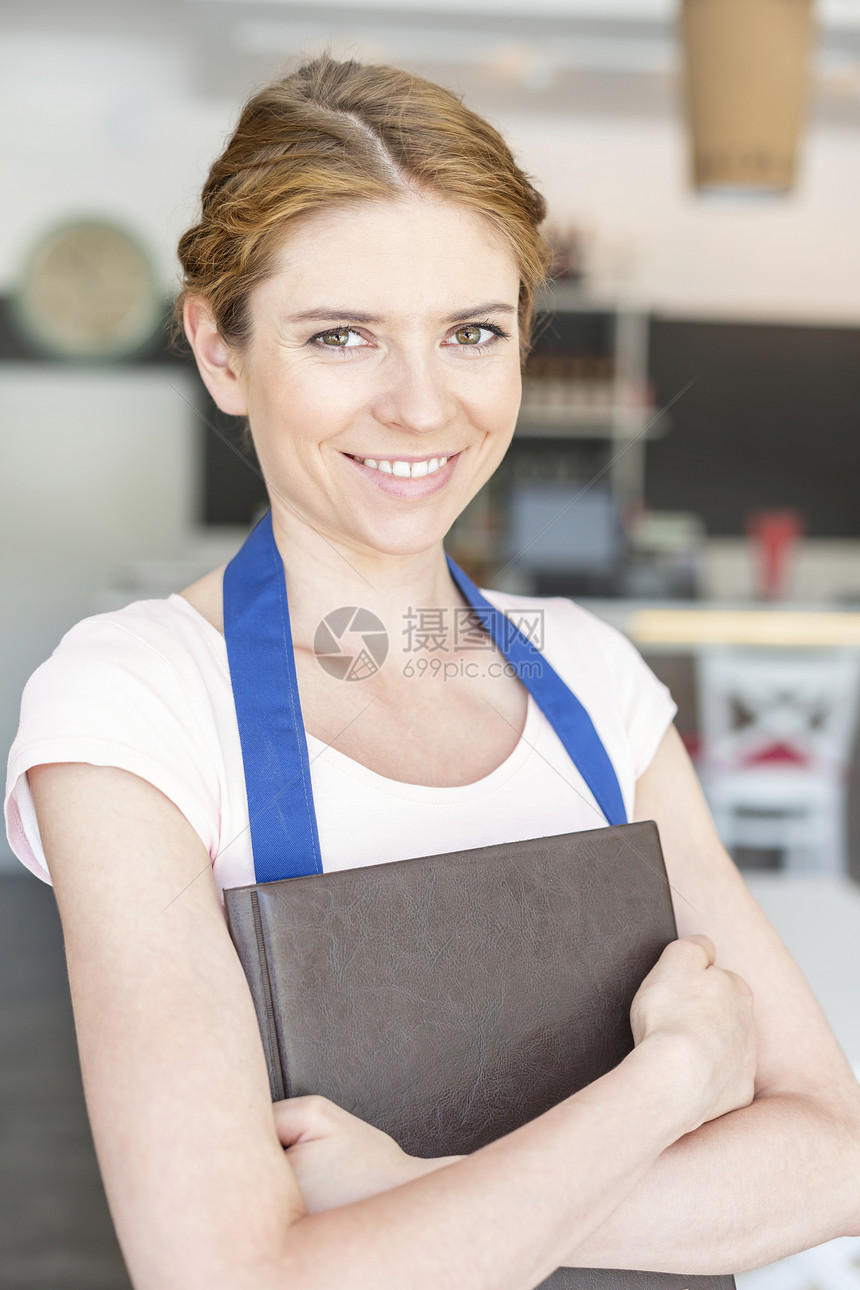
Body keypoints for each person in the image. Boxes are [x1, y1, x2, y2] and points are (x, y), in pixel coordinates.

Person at [5, 53, 859, 1290]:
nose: (420, 407)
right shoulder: (134, 703)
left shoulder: (592, 678)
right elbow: (234, 1275)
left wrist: (407, 1198)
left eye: (471, 332)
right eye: (342, 334)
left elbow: (831, 1157)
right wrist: (669, 1082)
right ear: (221, 352)